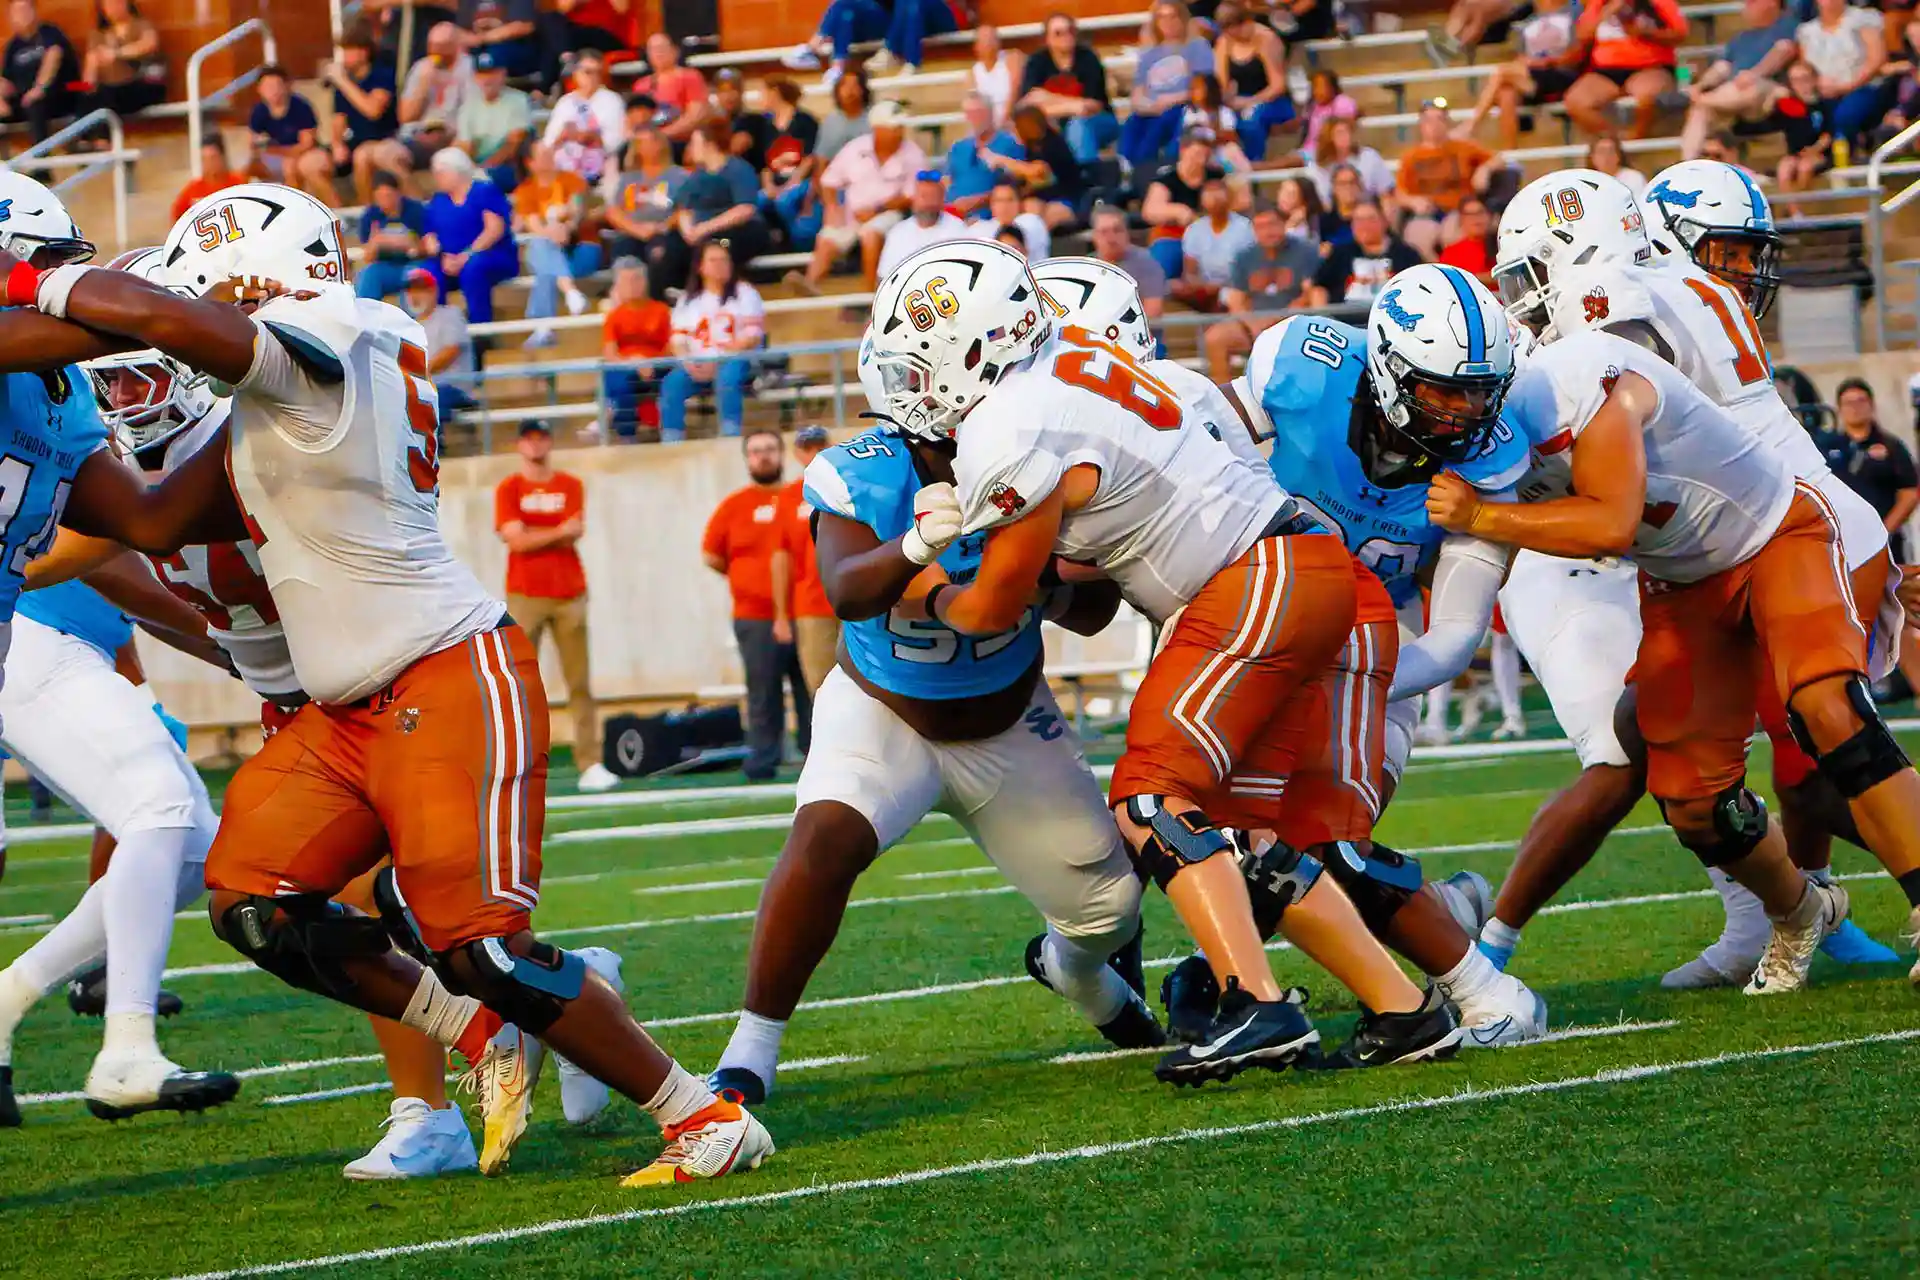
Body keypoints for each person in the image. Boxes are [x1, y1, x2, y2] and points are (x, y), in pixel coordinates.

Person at [0, 179, 772, 1186]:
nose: (187, 325)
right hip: (341, 709)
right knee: (254, 901)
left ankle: (701, 1115)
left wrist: (29, 280)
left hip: (438, 674)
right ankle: (483, 1030)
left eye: (214, 294)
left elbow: (169, 330)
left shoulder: (336, 334)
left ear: (258, 284)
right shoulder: (276, 394)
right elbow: (148, 520)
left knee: (481, 948)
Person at [878, 240, 1461, 1080]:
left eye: (920, 359)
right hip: (1297, 568)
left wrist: (922, 583)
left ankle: (1260, 1005)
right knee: (1247, 835)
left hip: (1254, 579)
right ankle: (1405, 1010)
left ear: (972, 348)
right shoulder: (1080, 368)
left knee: (1150, 795)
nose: (912, 383)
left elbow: (994, 607)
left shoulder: (1008, 423)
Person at [1463, 166, 1904, 983]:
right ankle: (1794, 911)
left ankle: (1810, 907)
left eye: (1741, 253)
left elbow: (1613, 501)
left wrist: (1487, 516)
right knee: (1692, 770)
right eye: (1727, 250)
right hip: (1710, 550)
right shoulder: (1688, 294)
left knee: (1810, 745)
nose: (1741, 270)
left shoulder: (1612, 316)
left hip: (1757, 534)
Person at [705, 395, 1158, 1108]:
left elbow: (1094, 614)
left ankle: (1078, 975)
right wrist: (915, 549)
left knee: (1110, 909)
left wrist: (1039, 579)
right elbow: (846, 589)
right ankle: (750, 1048)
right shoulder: (868, 472)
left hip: (1010, 721)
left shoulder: (1052, 458)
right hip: (884, 712)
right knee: (825, 837)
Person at [1151, 261, 1550, 1046]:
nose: (1468, 413)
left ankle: (1477, 988)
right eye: (1445, 392)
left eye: (1481, 393)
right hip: (1258, 626)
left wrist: (1333, 680)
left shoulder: (1488, 462)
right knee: (1208, 834)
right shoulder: (1302, 374)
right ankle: (1236, 973)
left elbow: (1452, 639)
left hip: (1381, 658)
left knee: (1324, 847)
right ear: (1390, 370)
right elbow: (1202, 477)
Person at [494, 422, 615, 792]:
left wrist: (535, 533)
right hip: (525, 594)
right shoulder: (509, 488)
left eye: (541, 438)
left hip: (569, 592)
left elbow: (573, 529)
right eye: (529, 439)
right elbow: (516, 541)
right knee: (519, 683)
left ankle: (590, 762)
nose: (535, 445)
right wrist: (557, 532)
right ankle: (517, 764)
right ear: (519, 445)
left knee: (579, 682)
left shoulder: (569, 484)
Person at [703, 431, 805, 781]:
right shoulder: (734, 506)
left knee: (812, 689)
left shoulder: (801, 499)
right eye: (756, 451)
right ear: (747, 459)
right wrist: (747, 581)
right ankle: (763, 758)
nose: (763, 456)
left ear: (782, 454)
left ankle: (815, 755)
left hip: (805, 612)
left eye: (770, 449)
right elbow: (711, 555)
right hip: (754, 616)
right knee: (763, 690)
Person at [792, 100, 923, 294]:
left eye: (900, 127)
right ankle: (810, 283)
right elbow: (829, 180)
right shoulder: (855, 148)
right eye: (894, 127)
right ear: (878, 129)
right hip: (852, 212)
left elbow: (911, 196)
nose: (899, 132)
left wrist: (876, 210)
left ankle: (870, 294)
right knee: (829, 236)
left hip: (890, 213)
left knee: (871, 234)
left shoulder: (913, 154)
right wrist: (832, 208)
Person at [653, 119, 772, 293]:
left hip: (736, 232)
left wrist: (705, 228)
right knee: (666, 248)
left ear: (709, 145)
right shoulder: (697, 177)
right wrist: (689, 231)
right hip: (701, 233)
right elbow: (684, 209)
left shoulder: (738, 169)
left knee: (717, 247)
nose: (690, 149)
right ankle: (669, 293)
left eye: (694, 143)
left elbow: (745, 209)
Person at [662, 241, 764, 442]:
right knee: (672, 383)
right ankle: (671, 439)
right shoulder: (688, 300)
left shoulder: (746, 294)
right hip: (698, 363)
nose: (720, 265)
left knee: (728, 377)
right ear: (700, 266)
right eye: (713, 260)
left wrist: (718, 361)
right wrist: (688, 362)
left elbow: (752, 336)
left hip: (736, 359)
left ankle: (730, 434)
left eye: (724, 260)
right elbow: (678, 340)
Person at [1202, 202, 1318, 379]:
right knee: (1215, 338)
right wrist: (1253, 325)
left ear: (1283, 224)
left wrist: (1278, 321)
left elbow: (1309, 295)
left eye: (1272, 224)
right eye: (1261, 227)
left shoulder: (1305, 251)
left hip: (1292, 321)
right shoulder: (1244, 257)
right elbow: (1236, 300)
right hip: (1253, 324)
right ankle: (1222, 393)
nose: (1268, 231)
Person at [1815, 378, 1920, 562]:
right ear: (1839, 409)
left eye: (1861, 401)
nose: (1855, 408)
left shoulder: (1891, 446)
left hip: (1887, 544)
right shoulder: (1828, 448)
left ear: (1872, 405)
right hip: (1842, 544)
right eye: (1849, 403)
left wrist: (1885, 531)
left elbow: (1909, 492)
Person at [1457, 0, 1584, 151]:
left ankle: (1471, 125)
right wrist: (1525, 62)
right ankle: (1511, 153)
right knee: (1506, 92)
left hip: (1560, 72)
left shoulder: (1574, 12)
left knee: (1503, 72)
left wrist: (1546, 62)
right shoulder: (1529, 18)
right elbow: (1521, 55)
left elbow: (1578, 52)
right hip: (1532, 75)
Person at [1680, 0, 1798, 159]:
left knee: (1749, 87)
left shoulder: (1787, 26)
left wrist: (1755, 74)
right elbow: (1722, 67)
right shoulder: (1741, 38)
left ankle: (1702, 100)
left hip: (1769, 94)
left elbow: (1784, 50)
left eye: (1752, 2)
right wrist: (1701, 85)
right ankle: (1687, 163)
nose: (1747, 5)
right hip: (1732, 96)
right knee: (1700, 112)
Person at [511, 141, 597, 348]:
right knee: (541, 248)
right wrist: (554, 232)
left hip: (581, 249)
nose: (550, 157)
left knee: (543, 263)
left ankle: (543, 327)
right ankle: (570, 292)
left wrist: (567, 227)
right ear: (530, 163)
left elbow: (576, 209)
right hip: (550, 248)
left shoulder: (572, 180)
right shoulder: (525, 191)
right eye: (543, 154)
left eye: (549, 152)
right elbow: (535, 226)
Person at [1563, 0, 1689, 139]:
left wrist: (1646, 33)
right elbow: (1583, 36)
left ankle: (1636, 139)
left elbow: (1680, 34)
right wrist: (1608, 11)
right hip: (1605, 69)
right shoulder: (1598, 3)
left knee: (1647, 95)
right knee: (1575, 101)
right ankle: (1614, 142)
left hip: (1650, 66)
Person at [421, 146, 519, 325]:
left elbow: (494, 229)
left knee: (473, 268)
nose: (436, 178)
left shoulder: (484, 191)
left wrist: (466, 255)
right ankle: (437, 328)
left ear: (455, 172)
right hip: (448, 261)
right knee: (426, 273)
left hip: (489, 255)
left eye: (440, 173)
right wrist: (442, 255)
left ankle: (480, 328)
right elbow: (429, 234)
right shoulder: (438, 200)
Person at [1395, 102, 1498, 257]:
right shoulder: (1411, 157)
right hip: (1427, 212)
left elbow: (1498, 159)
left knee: (1452, 236)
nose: (1435, 125)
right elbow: (1400, 193)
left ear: (1447, 123)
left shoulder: (1463, 147)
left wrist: (1485, 169)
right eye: (1429, 120)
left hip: (1459, 209)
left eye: (1439, 119)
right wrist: (1412, 201)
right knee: (1417, 239)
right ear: (1421, 125)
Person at [1122, 1, 1217, 171]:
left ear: (1182, 18)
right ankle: (1124, 167)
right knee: (1132, 123)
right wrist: (1148, 106)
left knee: (1162, 123)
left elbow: (1203, 86)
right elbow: (1137, 94)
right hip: (1152, 108)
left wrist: (1170, 100)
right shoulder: (1149, 54)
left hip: (1184, 105)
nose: (1168, 23)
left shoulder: (1197, 46)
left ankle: (1148, 168)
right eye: (1162, 18)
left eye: (1173, 17)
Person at [376, 21, 473, 181]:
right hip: (417, 135)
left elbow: (472, 114)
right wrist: (423, 84)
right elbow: (405, 116)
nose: (436, 51)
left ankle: (416, 195)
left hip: (450, 137)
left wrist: (448, 134)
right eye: (432, 46)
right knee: (379, 154)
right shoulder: (421, 68)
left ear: (456, 46)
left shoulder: (469, 68)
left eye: (442, 46)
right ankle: (414, 194)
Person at [1017, 11, 1118, 163]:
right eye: (1058, 33)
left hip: (1098, 121)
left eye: (1070, 31)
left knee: (1077, 125)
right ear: (1047, 39)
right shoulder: (1037, 61)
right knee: (1031, 129)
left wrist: (1046, 98)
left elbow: (1093, 106)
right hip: (1054, 122)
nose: (1066, 36)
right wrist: (1073, 106)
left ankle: (1088, 173)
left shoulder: (1088, 58)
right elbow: (1028, 104)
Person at [324, 23, 400, 202]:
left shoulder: (381, 74)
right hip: (354, 141)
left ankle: (367, 207)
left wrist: (343, 82)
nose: (345, 57)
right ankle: (336, 211)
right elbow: (339, 119)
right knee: (311, 163)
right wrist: (337, 144)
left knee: (362, 156)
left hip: (383, 138)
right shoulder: (345, 81)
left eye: (349, 50)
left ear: (364, 52)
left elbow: (373, 110)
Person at [1797, 0, 1890, 145]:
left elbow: (1877, 59)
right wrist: (1817, 85)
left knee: (1845, 116)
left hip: (1862, 86)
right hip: (1822, 91)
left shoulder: (1863, 19)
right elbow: (1805, 68)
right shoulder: (1806, 31)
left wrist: (1847, 86)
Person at [1214, 0, 1296, 162]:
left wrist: (1250, 102)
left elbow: (1278, 85)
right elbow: (1221, 83)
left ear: (1247, 22)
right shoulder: (1224, 42)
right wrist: (1227, 101)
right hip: (1239, 99)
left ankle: (1254, 163)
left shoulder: (1265, 39)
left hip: (1273, 101)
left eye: (1237, 28)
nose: (1234, 35)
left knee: (1251, 119)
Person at [600, 258, 672, 439]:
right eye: (626, 281)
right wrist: (634, 363)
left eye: (636, 279)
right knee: (616, 379)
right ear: (618, 286)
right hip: (626, 366)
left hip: (659, 366)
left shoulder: (661, 311)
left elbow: (671, 347)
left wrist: (651, 363)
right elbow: (610, 352)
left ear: (645, 282)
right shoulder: (614, 316)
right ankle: (627, 434)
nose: (632, 285)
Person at [1306, 201, 1422, 309]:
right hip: (1345, 319)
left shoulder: (1406, 255)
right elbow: (1318, 287)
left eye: (1370, 219)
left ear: (1384, 222)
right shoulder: (1340, 254)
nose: (1364, 225)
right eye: (1358, 220)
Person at [1142, 126, 1223, 279]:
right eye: (1198, 151)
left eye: (1207, 150)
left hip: (1210, 238)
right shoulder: (1167, 178)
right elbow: (1150, 210)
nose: (1203, 157)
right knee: (1165, 261)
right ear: (1183, 150)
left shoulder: (1216, 176)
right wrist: (1178, 211)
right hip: (1174, 237)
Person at [602, 119, 685, 266]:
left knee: (660, 252)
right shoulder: (628, 178)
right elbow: (614, 211)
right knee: (624, 250)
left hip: (665, 233)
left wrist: (662, 227)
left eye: (649, 141)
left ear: (661, 144)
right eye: (640, 143)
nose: (645, 147)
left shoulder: (679, 176)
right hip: (632, 232)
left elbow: (685, 210)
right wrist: (636, 229)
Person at [1173, 172, 1254, 312]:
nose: (1215, 201)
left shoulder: (1245, 228)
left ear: (1229, 198)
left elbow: (1250, 269)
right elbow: (1190, 272)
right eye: (1209, 196)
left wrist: (1219, 287)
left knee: (1231, 296)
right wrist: (1201, 286)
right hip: (1204, 289)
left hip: (1234, 288)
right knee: (1173, 287)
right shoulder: (1194, 229)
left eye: (1219, 195)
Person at [544, 47, 624, 186]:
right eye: (588, 72)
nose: (593, 77)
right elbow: (548, 142)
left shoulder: (612, 100)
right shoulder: (565, 102)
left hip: (601, 168)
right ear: (576, 73)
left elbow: (617, 141)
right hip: (564, 168)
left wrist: (593, 137)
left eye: (597, 72)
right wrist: (563, 135)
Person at [999, 103, 1088, 229]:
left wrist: (1002, 161)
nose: (1013, 131)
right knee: (1029, 207)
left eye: (1016, 126)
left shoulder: (1054, 145)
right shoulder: (1028, 149)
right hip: (1041, 199)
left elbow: (1041, 173)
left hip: (1065, 198)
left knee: (1044, 216)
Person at [401, 265, 476, 413]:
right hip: (424, 390)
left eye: (421, 290)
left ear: (434, 291)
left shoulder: (450, 315)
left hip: (452, 387)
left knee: (423, 403)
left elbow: (450, 352)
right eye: (410, 291)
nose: (414, 296)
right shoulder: (407, 327)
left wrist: (417, 373)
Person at [455, 49, 533, 188]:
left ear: (503, 74)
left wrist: (482, 169)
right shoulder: (469, 104)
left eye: (493, 73)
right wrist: (469, 168)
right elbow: (465, 145)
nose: (487, 79)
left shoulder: (518, 100)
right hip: (477, 164)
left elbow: (512, 145)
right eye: (482, 74)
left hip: (508, 166)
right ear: (475, 77)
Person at [755, 77, 821, 239]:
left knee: (785, 202)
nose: (760, 99)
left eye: (763, 93)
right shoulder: (766, 126)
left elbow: (810, 158)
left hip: (802, 180)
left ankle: (795, 239)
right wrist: (769, 186)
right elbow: (765, 166)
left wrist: (790, 184)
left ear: (775, 93)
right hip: (777, 181)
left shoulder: (805, 121)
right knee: (759, 200)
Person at [79, 0, 163, 124]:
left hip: (141, 84)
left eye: (117, 2)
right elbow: (88, 81)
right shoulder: (98, 35)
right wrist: (91, 71)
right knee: (86, 99)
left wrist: (117, 53)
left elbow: (149, 44)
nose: (113, 8)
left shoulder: (141, 25)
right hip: (110, 90)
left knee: (107, 98)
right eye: (108, 5)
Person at [0, 0, 74, 142]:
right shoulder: (13, 46)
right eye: (17, 12)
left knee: (35, 103)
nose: (22, 15)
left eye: (25, 9)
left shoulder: (49, 33)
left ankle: (41, 155)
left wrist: (39, 88)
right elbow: (8, 81)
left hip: (59, 93)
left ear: (35, 11)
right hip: (24, 101)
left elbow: (54, 55)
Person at [247, 65, 326, 193]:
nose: (273, 91)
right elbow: (253, 143)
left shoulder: (301, 107)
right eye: (267, 87)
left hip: (302, 154)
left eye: (277, 86)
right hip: (275, 156)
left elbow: (307, 143)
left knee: (291, 167)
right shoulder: (259, 111)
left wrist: (283, 154)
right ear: (259, 89)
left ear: (287, 86)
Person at [877, 171, 968, 278]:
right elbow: (884, 276)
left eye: (933, 196)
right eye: (924, 196)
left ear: (943, 200)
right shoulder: (898, 232)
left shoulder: (958, 230)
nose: (928, 203)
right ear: (914, 199)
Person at [1089, 203, 1167, 329]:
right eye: (1104, 232)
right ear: (1094, 237)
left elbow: (1152, 314)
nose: (1111, 238)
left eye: (1117, 230)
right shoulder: (1085, 267)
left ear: (1127, 233)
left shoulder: (1147, 264)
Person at [356, 171, 431, 301]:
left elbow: (428, 249)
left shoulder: (415, 210)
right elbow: (368, 257)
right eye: (380, 197)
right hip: (386, 266)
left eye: (388, 196)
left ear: (398, 193)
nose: (385, 202)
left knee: (415, 275)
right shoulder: (370, 216)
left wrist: (407, 244)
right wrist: (375, 243)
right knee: (368, 275)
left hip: (414, 264)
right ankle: (367, 311)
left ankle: (411, 313)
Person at [948, 90, 1022, 217]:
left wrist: (980, 201)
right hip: (954, 217)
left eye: (979, 113)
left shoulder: (1009, 144)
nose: (974, 118)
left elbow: (1017, 188)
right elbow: (946, 180)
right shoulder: (958, 147)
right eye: (970, 114)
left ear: (991, 114)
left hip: (990, 217)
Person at [1774, 60, 1835, 210]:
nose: (1801, 85)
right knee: (1784, 168)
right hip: (1795, 153)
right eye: (1795, 80)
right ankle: (1793, 210)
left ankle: (1801, 205)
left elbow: (1828, 135)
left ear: (1814, 80)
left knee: (1804, 167)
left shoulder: (1824, 104)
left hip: (1819, 152)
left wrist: (1814, 149)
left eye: (1804, 79)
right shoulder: (1787, 105)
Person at [630, 32, 706, 147]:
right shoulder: (640, 85)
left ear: (675, 51)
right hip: (647, 144)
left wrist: (661, 135)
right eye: (653, 49)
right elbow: (632, 120)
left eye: (662, 48)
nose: (658, 52)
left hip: (680, 142)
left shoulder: (691, 77)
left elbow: (695, 117)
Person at [1306, 115, 1395, 203]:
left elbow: (1386, 190)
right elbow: (1321, 198)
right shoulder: (1319, 166)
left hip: (1367, 206)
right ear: (1329, 137)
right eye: (1340, 133)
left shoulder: (1369, 157)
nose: (1346, 136)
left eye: (1348, 132)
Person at [455, 0, 539, 79]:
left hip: (512, 46)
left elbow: (525, 26)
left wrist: (481, 38)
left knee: (484, 60)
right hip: (478, 47)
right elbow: (462, 29)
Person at [171, 137, 246, 221]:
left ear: (222, 157)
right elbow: (176, 217)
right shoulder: (192, 190)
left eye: (213, 158)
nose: (209, 164)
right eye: (204, 159)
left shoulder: (239, 183)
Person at [975, 178, 1052, 259]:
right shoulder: (979, 228)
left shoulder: (1031, 221)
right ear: (991, 204)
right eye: (999, 200)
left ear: (1020, 203)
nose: (1004, 206)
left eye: (1010, 200)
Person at [816, 64, 871, 165]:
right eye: (845, 85)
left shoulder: (874, 119)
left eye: (854, 86)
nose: (849, 91)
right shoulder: (831, 121)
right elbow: (822, 159)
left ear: (862, 90)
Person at [971, 23, 1024, 127]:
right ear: (976, 46)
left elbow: (1015, 91)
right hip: (987, 125)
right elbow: (974, 103)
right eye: (985, 39)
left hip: (1012, 120)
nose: (989, 42)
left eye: (992, 38)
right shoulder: (974, 72)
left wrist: (1004, 119)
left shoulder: (1012, 59)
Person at [1437, 195, 1497, 284]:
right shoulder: (1451, 254)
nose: (1476, 218)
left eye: (1480, 213)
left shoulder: (1502, 246)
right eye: (1469, 215)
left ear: (1489, 216)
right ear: (1461, 220)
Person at [1301, 68, 1357, 152]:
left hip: (1330, 152)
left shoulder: (1342, 102)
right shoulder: (1313, 106)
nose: (1317, 91)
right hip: (1309, 150)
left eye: (1321, 86)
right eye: (1314, 87)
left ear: (1332, 87)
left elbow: (1342, 131)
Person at [1586, 131, 1647, 195]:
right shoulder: (1585, 181)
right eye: (1602, 151)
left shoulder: (1634, 178)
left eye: (1611, 151)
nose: (1607, 156)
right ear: (1592, 157)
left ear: (1619, 156)